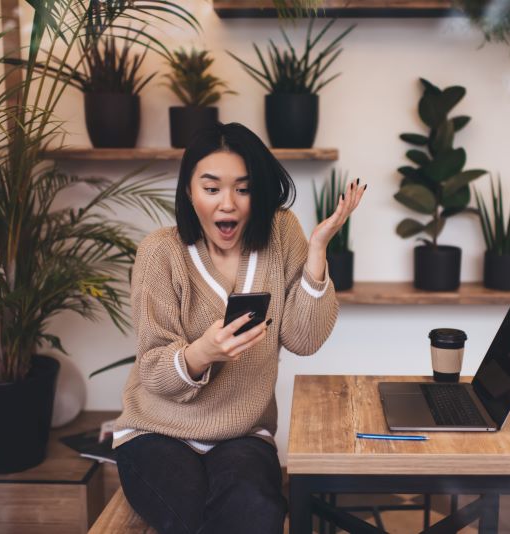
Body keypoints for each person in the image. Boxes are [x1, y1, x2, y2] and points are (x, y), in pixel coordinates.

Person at [112, 122, 366, 534]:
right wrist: (201, 353)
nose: (227, 204)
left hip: (243, 433)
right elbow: (153, 372)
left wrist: (317, 253)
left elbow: (304, 340)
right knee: (190, 515)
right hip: (156, 432)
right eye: (211, 189)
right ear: (189, 192)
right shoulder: (160, 253)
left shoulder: (282, 234)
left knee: (259, 511)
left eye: (243, 189)